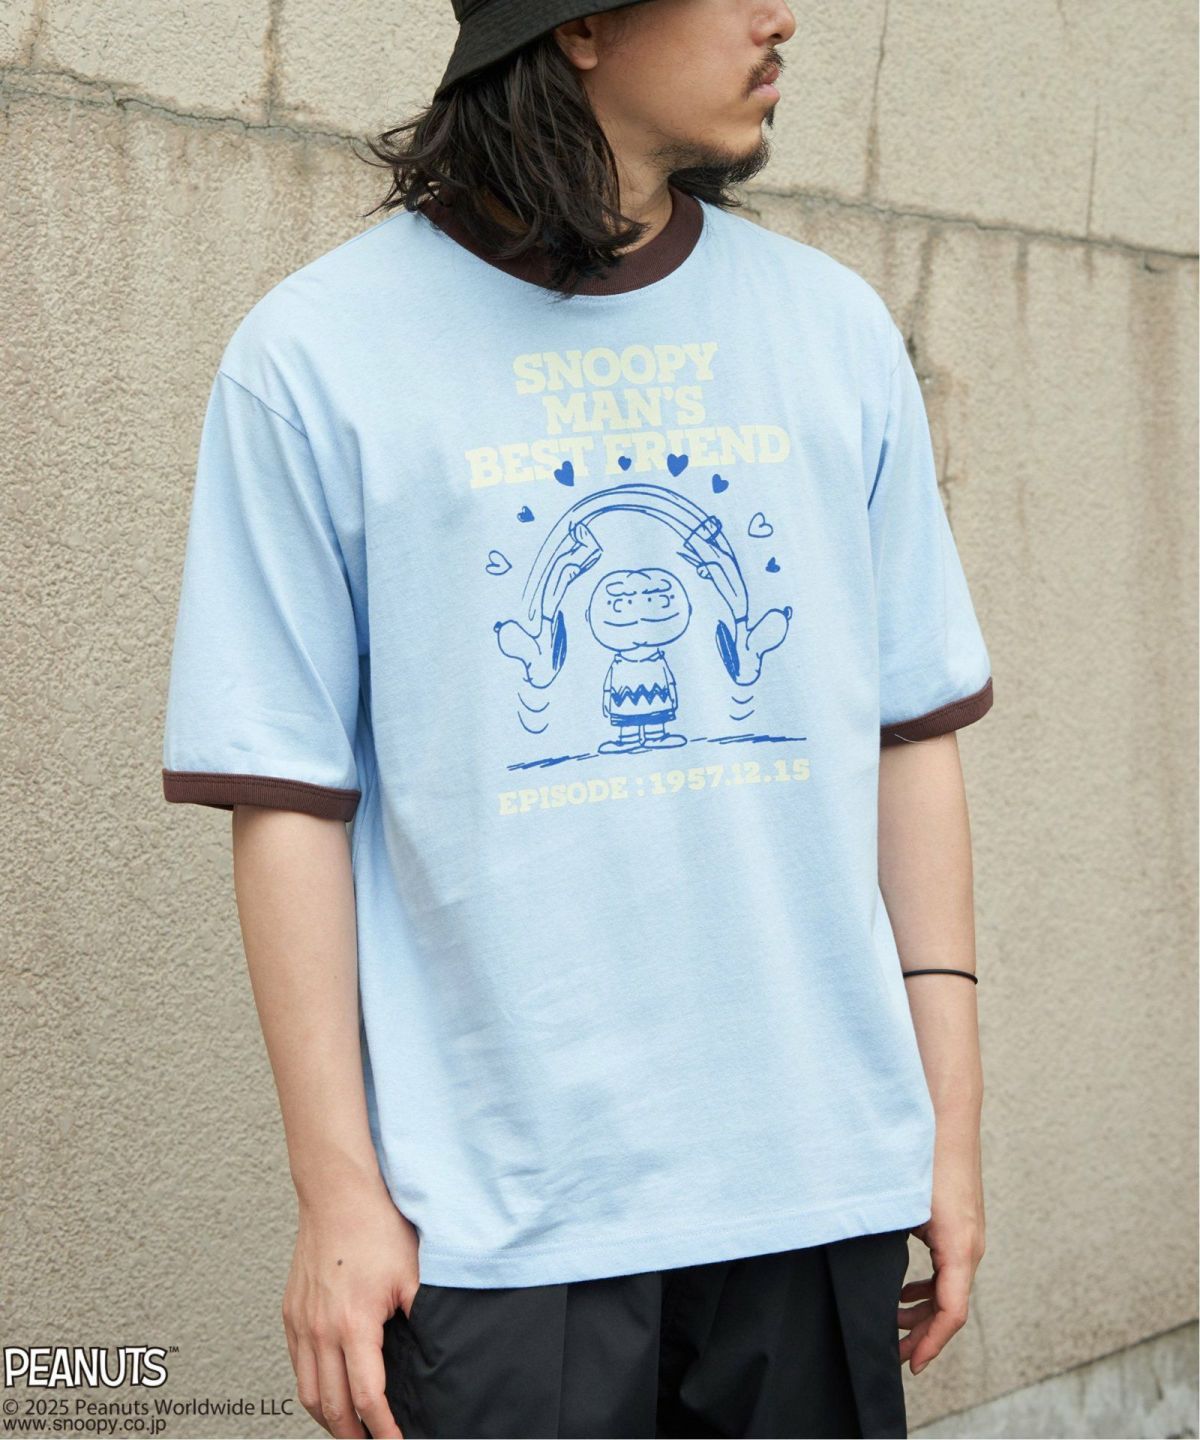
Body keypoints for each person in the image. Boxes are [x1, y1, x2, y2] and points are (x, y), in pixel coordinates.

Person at [160, 1, 994, 1435]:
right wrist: (338, 1194)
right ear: (585, 25)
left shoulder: (831, 331)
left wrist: (949, 1129)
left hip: (812, 1181)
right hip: (496, 1217)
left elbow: (909, 737)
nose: (781, 17)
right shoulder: (318, 355)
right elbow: (285, 798)